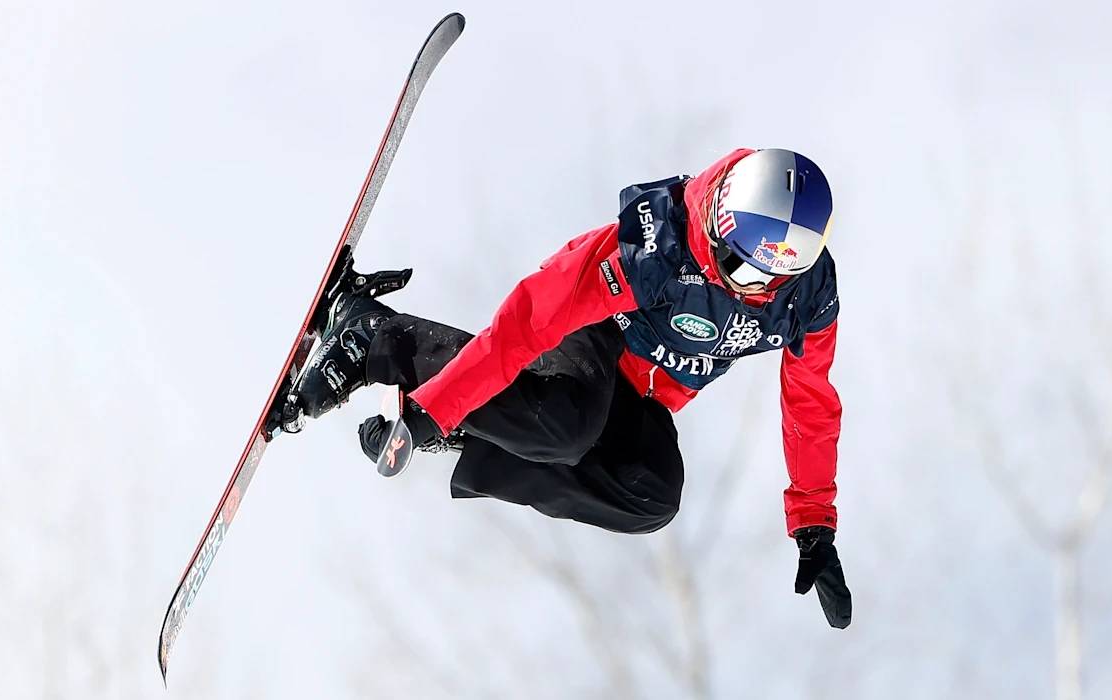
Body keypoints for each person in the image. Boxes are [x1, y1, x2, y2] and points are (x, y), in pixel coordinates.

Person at [287, 147, 851, 629]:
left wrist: (814, 527)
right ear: (720, 216)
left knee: (652, 495)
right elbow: (525, 327)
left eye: (754, 276)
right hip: (593, 337)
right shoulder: (655, 251)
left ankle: (476, 430)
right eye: (727, 255)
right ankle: (374, 336)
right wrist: (429, 411)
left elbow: (811, 406)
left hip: (642, 392)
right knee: (564, 424)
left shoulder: (805, 303)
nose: (734, 279)